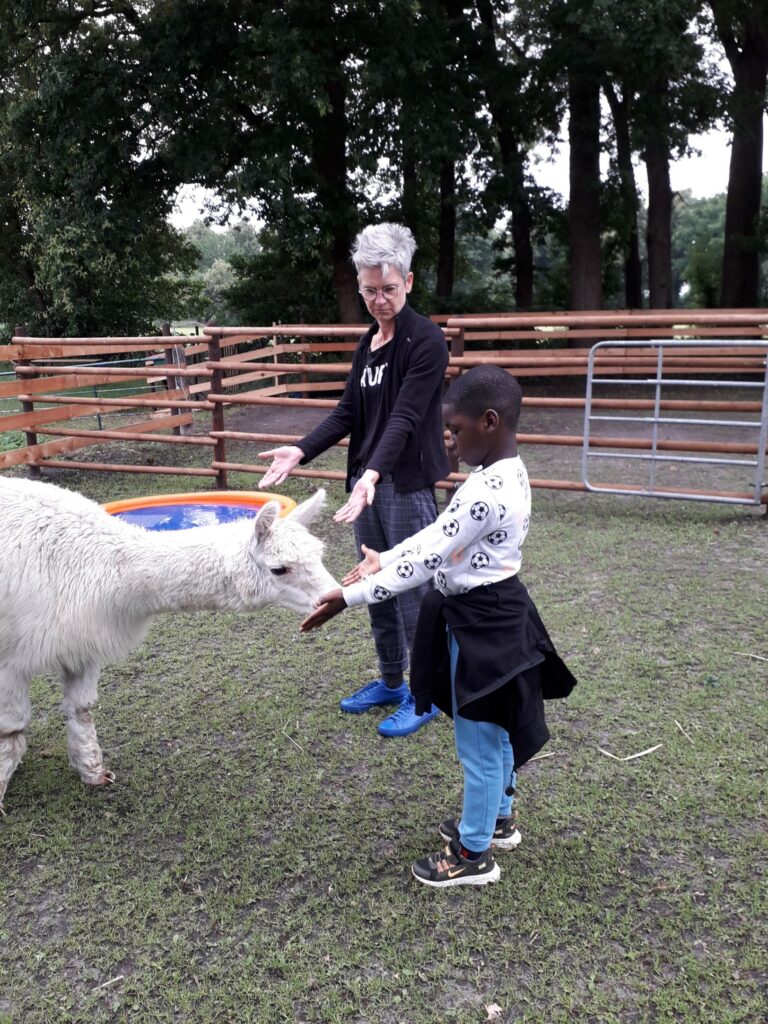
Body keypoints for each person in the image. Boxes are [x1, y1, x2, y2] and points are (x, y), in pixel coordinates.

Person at [300, 365, 577, 888]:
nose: (448, 439)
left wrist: (349, 596)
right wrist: (383, 558)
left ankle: (473, 853)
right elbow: (437, 536)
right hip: (497, 613)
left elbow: (427, 561)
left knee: (477, 739)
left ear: (490, 422)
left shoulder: (484, 491)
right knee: (493, 727)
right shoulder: (505, 471)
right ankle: (498, 819)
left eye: (456, 429)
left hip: (480, 624)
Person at [259, 223, 449, 738]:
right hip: (365, 489)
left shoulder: (426, 342)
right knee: (373, 586)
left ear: (408, 281)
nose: (378, 300)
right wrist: (301, 449)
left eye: (388, 289)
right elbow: (349, 412)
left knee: (412, 589)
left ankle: (425, 693)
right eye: (369, 290)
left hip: (404, 484)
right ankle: (391, 680)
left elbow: (405, 418)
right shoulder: (369, 344)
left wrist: (371, 474)